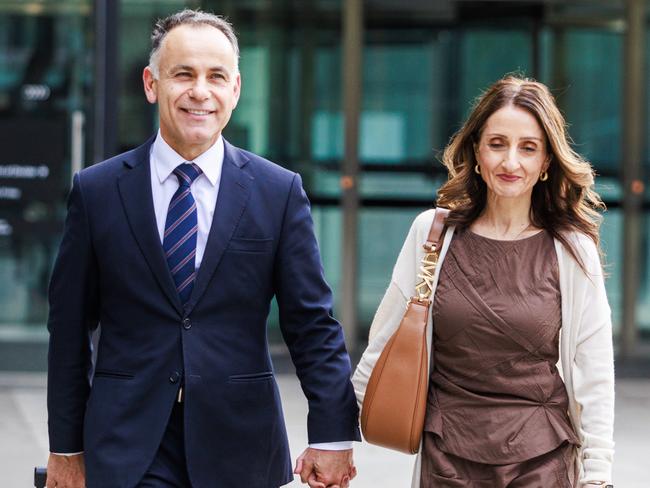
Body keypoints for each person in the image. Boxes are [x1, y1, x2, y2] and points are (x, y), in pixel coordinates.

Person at [46, 9, 360, 488]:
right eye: (183, 75)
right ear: (152, 84)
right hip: (126, 444)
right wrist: (66, 448)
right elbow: (68, 329)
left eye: (216, 76)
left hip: (241, 442)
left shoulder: (277, 192)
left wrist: (333, 436)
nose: (200, 91)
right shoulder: (97, 191)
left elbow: (311, 324)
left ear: (235, 89)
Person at [352, 75, 615, 488]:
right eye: (497, 144)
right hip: (448, 458)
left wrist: (598, 476)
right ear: (476, 150)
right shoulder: (432, 234)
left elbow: (594, 370)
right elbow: (386, 343)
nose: (511, 162)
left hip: (542, 460)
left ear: (546, 162)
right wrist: (335, 438)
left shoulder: (571, 249)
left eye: (528, 148)